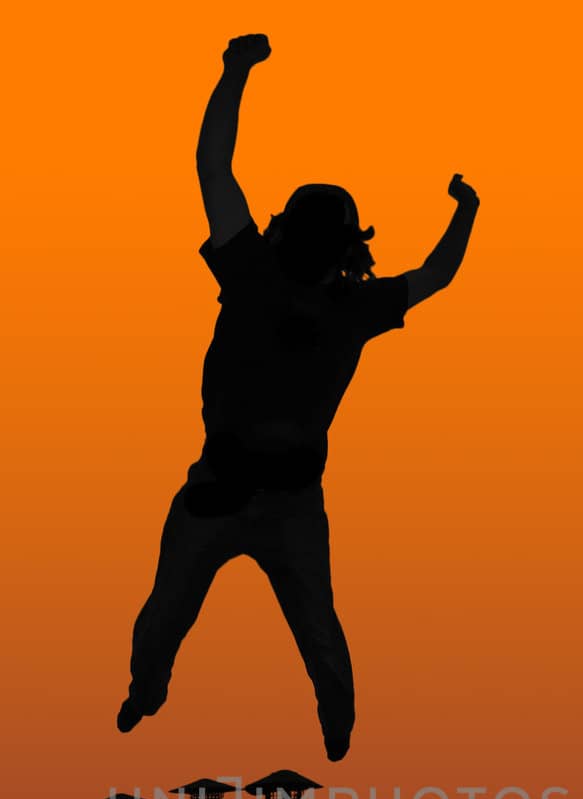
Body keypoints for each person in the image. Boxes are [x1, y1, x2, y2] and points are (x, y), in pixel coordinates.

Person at [118, 33, 480, 760]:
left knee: (315, 627)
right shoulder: (259, 277)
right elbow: (212, 168)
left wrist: (467, 212)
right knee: (170, 616)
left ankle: (330, 720)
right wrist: (232, 73)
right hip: (218, 489)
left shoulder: (340, 302)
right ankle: (148, 690)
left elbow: (215, 170)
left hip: (289, 503)